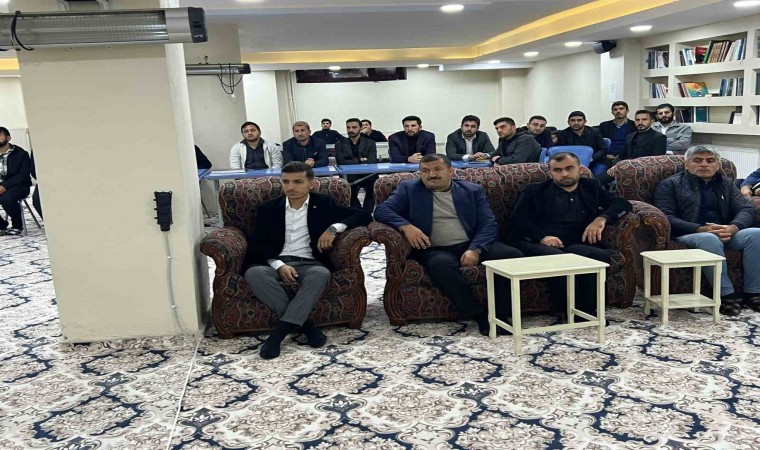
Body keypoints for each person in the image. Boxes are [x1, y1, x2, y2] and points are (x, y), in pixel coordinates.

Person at [374, 154, 524, 335]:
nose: (431, 175)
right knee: (440, 265)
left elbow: (488, 223)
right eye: (425, 171)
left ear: (450, 171)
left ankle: (501, 313)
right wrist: (406, 226)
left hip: (471, 242)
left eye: (438, 169)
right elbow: (382, 210)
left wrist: (475, 249)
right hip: (435, 249)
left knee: (511, 256)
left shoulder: (471, 190)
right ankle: (479, 315)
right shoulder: (409, 189)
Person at [244, 161, 372, 359]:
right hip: (276, 262)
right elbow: (258, 243)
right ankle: (307, 327)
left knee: (320, 274)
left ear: (311, 184)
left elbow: (363, 216)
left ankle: (277, 336)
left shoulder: (324, 204)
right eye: (286, 182)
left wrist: (334, 229)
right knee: (254, 273)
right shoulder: (268, 208)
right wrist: (278, 265)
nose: (290, 187)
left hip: (310, 263)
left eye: (298, 182)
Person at [510, 152, 632, 318]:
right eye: (558, 170)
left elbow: (622, 204)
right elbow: (518, 220)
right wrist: (542, 237)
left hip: (575, 242)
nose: (564, 174)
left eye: (569, 168)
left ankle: (588, 311)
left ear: (580, 169)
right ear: (550, 173)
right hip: (537, 241)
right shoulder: (535, 191)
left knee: (598, 256)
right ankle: (563, 309)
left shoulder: (591, 186)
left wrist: (601, 219)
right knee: (558, 258)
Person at [654, 145, 760, 316]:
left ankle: (753, 293)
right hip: (690, 234)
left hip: (725, 231)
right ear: (687, 164)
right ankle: (725, 295)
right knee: (708, 239)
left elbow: (746, 208)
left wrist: (734, 227)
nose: (704, 164)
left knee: (756, 234)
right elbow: (667, 216)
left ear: (717, 165)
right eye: (698, 160)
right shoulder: (670, 184)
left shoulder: (726, 183)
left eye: (710, 161)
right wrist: (701, 228)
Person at [335, 118, 378, 212]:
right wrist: (361, 159)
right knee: (349, 192)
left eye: (354, 127)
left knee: (372, 189)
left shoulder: (370, 142)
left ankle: (366, 213)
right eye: (348, 127)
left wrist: (350, 160)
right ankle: (359, 213)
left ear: (361, 128)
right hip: (349, 175)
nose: (350, 130)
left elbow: (372, 161)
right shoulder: (339, 144)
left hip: (368, 174)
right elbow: (341, 162)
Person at [0, 127, 32, 236]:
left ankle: (17, 225)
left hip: (19, 186)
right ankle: (1, 226)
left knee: (6, 198)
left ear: (8, 138)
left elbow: (23, 175)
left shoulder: (21, 154)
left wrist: (4, 186)